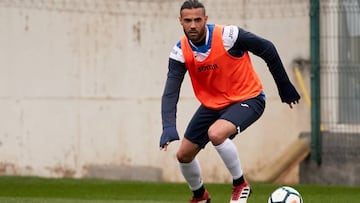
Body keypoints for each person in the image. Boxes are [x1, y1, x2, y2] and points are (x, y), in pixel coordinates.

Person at [159, 0, 301, 202]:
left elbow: (267, 49)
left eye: (197, 20)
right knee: (184, 155)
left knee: (216, 133)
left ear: (205, 19)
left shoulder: (228, 36)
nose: (193, 25)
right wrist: (168, 127)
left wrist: (284, 87)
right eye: (188, 20)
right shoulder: (180, 51)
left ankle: (240, 184)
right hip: (213, 105)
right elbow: (171, 92)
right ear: (180, 21)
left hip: (249, 98)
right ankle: (200, 196)